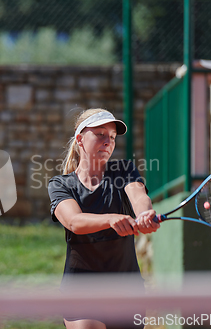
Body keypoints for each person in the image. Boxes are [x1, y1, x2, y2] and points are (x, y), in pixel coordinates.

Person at [47, 108, 160, 329]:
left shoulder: (124, 171)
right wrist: (110, 219)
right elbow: (74, 222)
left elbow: (138, 196)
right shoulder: (60, 185)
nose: (107, 141)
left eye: (112, 137)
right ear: (80, 139)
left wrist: (145, 213)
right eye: (100, 134)